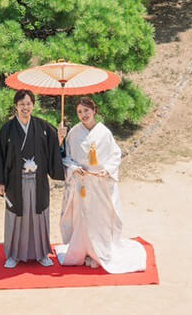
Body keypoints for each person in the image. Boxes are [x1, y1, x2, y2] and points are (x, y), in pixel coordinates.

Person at [56, 97, 147, 273]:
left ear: (94, 111)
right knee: (82, 218)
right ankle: (83, 252)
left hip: (100, 183)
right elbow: (66, 157)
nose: (83, 115)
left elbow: (115, 155)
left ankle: (99, 253)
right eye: (80, 112)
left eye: (86, 111)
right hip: (82, 184)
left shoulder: (104, 133)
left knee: (100, 218)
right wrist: (74, 167)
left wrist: (108, 170)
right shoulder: (74, 133)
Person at [0, 89, 66, 269]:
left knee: (38, 216)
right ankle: (14, 254)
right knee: (16, 216)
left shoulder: (43, 127)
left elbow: (53, 150)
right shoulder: (7, 129)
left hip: (38, 181)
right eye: (21, 104)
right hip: (16, 182)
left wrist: (60, 139)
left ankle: (41, 254)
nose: (25, 107)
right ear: (16, 106)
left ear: (33, 105)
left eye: (28, 104)